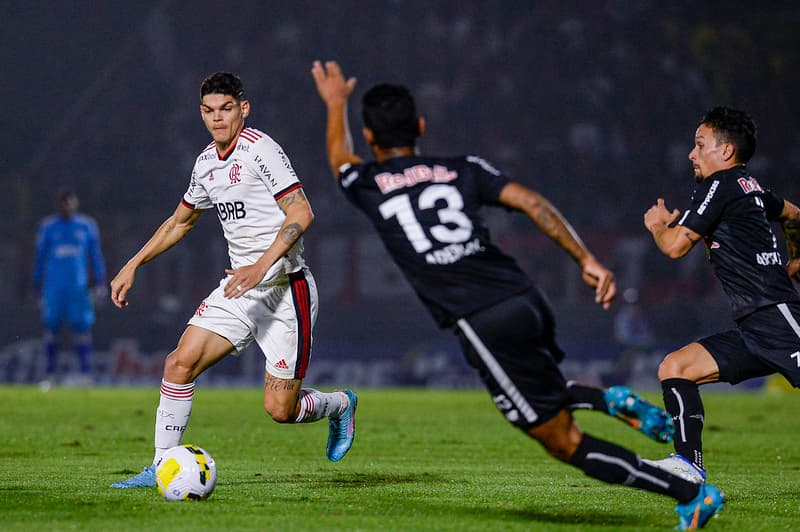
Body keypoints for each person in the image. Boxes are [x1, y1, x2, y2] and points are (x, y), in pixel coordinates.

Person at [312, 60, 723, 529]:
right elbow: (531, 202)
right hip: (525, 297)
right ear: (421, 127)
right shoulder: (462, 168)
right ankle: (611, 402)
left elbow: (338, 159)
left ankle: (691, 493)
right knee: (538, 391)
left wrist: (335, 103)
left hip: (479, 318)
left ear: (369, 137)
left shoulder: (366, 183)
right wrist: (585, 259)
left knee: (560, 439)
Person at [109, 72, 357, 489]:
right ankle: (161, 465)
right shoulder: (206, 163)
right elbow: (180, 222)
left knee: (280, 409)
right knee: (178, 363)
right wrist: (133, 263)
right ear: (201, 113)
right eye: (209, 111)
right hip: (238, 288)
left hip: (284, 291)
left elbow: (302, 213)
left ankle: (339, 404)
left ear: (244, 108)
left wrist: (260, 266)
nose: (217, 119)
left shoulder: (262, 151)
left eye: (226, 109)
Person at [643, 106, 800, 484]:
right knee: (675, 367)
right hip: (753, 328)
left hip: (776, 316)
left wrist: (657, 227)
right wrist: (795, 260)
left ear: (726, 151)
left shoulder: (720, 184)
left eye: (700, 145)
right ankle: (688, 464)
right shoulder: (750, 187)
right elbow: (794, 215)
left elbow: (675, 247)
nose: (691, 154)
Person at [32, 189, 106, 388]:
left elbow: (95, 256)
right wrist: (36, 286)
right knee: (51, 328)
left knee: (82, 328)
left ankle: (85, 374)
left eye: (70, 203)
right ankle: (49, 376)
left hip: (78, 288)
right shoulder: (48, 227)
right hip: (54, 287)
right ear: (59, 205)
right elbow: (40, 258)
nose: (67, 207)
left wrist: (100, 282)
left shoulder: (87, 226)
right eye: (64, 204)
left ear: (76, 204)